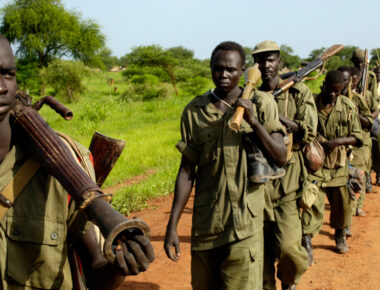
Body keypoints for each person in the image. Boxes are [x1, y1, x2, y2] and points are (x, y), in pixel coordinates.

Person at [0, 35, 154, 289]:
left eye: (8, 74)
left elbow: (95, 269)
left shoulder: (66, 165)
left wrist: (119, 264)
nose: (2, 86)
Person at [164, 41, 287, 290]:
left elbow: (280, 156)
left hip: (246, 223)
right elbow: (187, 171)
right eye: (218, 68)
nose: (223, 75)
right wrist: (172, 226)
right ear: (210, 68)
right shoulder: (194, 111)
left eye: (230, 69)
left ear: (243, 70)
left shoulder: (262, 104)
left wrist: (254, 122)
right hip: (206, 225)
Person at [251, 40, 318, 290]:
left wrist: (273, 114)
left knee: (291, 250)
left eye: (270, 60)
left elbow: (308, 131)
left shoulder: (298, 92)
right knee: (261, 251)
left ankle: (288, 281)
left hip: (287, 184)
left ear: (279, 62)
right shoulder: (250, 95)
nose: (265, 65)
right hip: (256, 183)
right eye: (260, 60)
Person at [301, 70, 363, 254]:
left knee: (341, 205)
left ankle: (340, 235)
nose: (333, 94)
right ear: (323, 86)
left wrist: (338, 142)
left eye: (338, 91)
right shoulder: (311, 103)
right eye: (330, 90)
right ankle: (307, 242)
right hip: (315, 165)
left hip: (338, 166)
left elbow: (358, 138)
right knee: (312, 203)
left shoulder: (347, 106)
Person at [351, 49, 378, 192]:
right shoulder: (349, 75)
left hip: (368, 114)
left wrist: (369, 118)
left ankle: (373, 172)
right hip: (351, 115)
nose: (360, 65)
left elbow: (375, 105)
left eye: (362, 63)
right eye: (357, 62)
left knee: (377, 137)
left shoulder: (371, 77)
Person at [348, 67, 374, 217]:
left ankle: (358, 205)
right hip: (344, 144)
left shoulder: (360, 98)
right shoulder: (337, 97)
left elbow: (370, 120)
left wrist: (355, 115)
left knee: (359, 175)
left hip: (360, 142)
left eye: (353, 80)